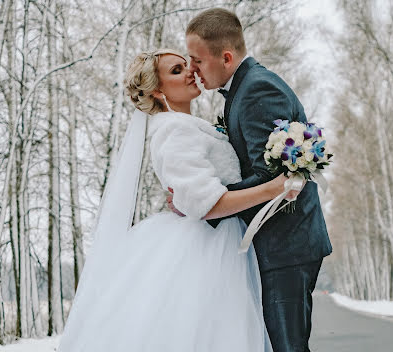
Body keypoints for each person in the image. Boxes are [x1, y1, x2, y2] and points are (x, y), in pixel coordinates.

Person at [58, 48, 287, 352]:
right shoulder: (174, 130)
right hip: (206, 249)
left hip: (218, 242)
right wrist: (275, 188)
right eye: (177, 70)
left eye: (187, 64)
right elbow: (204, 204)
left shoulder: (188, 126)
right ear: (156, 90)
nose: (190, 71)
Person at [183, 8, 332, 351]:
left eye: (197, 60)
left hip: (286, 246)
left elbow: (273, 179)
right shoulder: (246, 87)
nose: (193, 70)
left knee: (287, 346)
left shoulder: (257, 90)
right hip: (281, 245)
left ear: (226, 57)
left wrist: (208, 201)